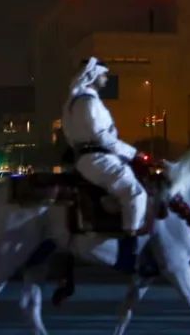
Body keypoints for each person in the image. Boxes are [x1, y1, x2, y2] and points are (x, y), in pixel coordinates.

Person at [62, 57, 147, 271]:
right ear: (93, 76)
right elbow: (101, 137)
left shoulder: (80, 100)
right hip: (96, 157)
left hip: (94, 156)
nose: (106, 79)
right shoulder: (87, 102)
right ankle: (129, 254)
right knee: (135, 193)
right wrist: (134, 154)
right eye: (104, 75)